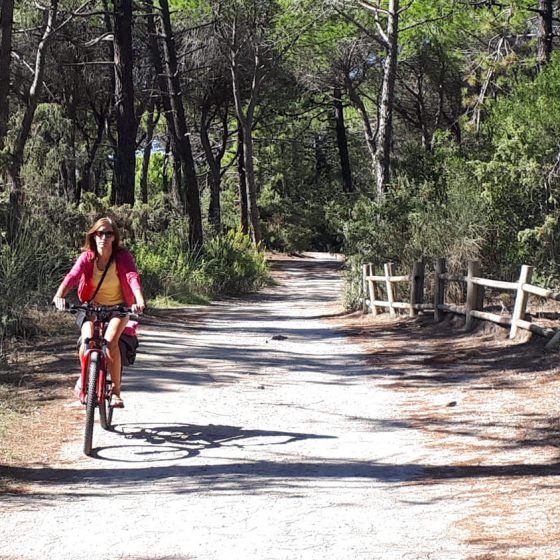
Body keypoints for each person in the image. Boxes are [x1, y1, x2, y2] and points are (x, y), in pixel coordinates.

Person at [53, 217, 145, 408]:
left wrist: (138, 300)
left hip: (118, 307)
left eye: (108, 233)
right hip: (91, 306)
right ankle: (85, 379)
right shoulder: (87, 257)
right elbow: (73, 276)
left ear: (114, 237)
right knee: (86, 342)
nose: (103, 237)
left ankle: (116, 392)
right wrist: (59, 296)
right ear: (93, 236)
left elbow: (131, 276)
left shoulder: (122, 256)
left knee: (111, 342)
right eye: (99, 233)